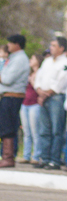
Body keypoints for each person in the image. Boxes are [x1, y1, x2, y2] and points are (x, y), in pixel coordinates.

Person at [34, 36, 67, 169]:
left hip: (55, 97)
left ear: (61, 48)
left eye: (54, 45)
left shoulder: (66, 63)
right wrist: (39, 90)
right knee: (44, 129)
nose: (50, 47)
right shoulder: (47, 61)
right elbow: (38, 77)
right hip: (43, 96)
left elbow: (61, 82)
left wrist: (46, 94)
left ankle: (54, 160)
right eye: (50, 45)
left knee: (57, 130)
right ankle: (44, 158)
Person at [0, 34, 31, 168]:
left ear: (17, 44)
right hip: (8, 95)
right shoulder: (14, 58)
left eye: (11, 43)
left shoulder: (20, 59)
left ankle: (8, 157)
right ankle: (6, 155)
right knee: (5, 125)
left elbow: (7, 79)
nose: (9, 46)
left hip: (13, 96)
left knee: (8, 126)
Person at [19, 53, 43, 165]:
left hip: (34, 104)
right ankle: (26, 155)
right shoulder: (29, 73)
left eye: (33, 58)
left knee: (35, 131)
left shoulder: (40, 73)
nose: (30, 60)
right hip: (25, 103)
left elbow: (38, 87)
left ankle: (36, 156)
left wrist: (33, 80)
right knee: (26, 131)